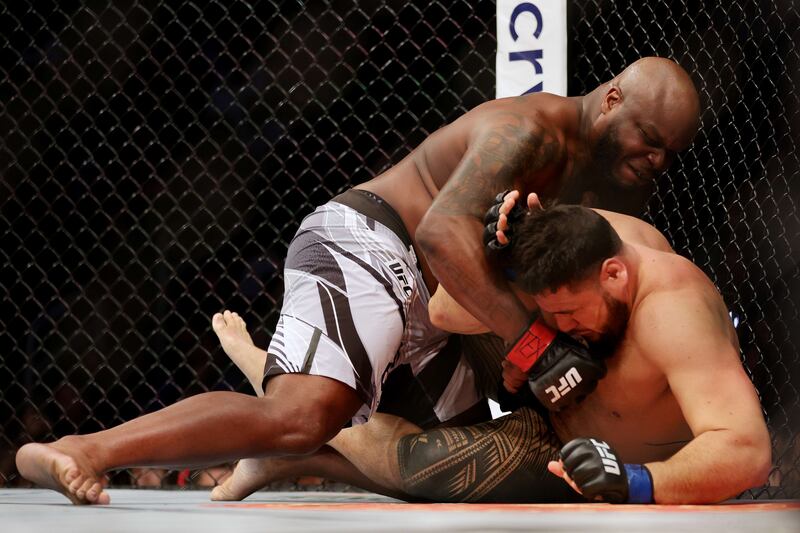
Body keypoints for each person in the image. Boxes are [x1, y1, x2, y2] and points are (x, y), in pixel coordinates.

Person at [15, 57, 700, 505]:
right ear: (611, 100)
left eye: (669, 153)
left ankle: (280, 459)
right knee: (299, 414)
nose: (656, 158)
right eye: (648, 138)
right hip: (373, 244)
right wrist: (532, 345)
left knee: (455, 472)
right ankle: (80, 449)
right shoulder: (531, 132)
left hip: (438, 306)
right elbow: (437, 232)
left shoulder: (594, 172)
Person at [213, 197, 771, 504]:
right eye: (552, 313)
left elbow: (745, 453)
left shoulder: (675, 310)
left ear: (616, 273)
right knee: (477, 309)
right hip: (553, 412)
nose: (564, 328)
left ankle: (278, 397)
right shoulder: (570, 255)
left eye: (573, 314)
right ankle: (296, 415)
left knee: (427, 472)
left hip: (606, 465)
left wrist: (634, 480)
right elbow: (445, 313)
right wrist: (497, 259)